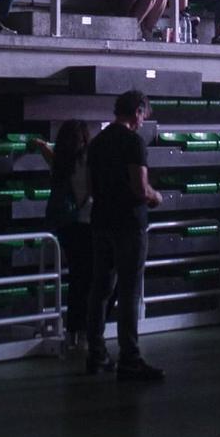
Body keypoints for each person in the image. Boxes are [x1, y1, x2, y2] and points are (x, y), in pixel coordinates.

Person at [82, 90, 165, 382]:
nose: (143, 121)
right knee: (129, 291)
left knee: (100, 289)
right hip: (129, 224)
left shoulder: (98, 142)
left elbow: (90, 187)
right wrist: (156, 197)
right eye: (144, 115)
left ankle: (96, 352)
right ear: (138, 111)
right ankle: (129, 357)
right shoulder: (133, 142)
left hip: (101, 220)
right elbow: (140, 188)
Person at [31, 121, 93, 352]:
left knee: (77, 279)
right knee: (84, 280)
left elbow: (48, 152)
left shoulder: (60, 162)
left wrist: (38, 143)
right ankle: (83, 332)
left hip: (62, 224)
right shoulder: (82, 162)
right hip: (81, 223)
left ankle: (73, 333)